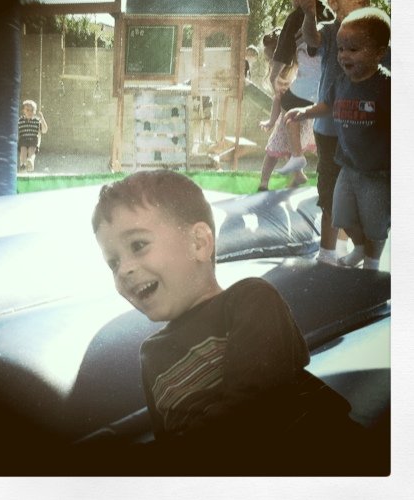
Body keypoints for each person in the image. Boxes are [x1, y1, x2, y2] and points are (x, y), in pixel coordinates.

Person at [91, 169, 372, 473]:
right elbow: (167, 434)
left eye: (138, 245)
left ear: (198, 242)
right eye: (113, 262)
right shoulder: (151, 354)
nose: (124, 270)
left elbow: (255, 407)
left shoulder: (249, 299)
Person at [286, 7, 390, 271]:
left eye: (353, 49)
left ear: (379, 52)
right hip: (347, 165)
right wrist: (304, 112)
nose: (344, 55)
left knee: (375, 222)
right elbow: (327, 105)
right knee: (340, 214)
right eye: (341, 49)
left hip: (377, 172)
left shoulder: (385, 86)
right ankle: (359, 248)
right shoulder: (342, 82)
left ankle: (372, 263)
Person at [299, 0, 374, 265]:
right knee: (329, 191)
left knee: (357, 192)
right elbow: (311, 38)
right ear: (332, 2)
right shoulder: (331, 32)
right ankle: (328, 253)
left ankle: (362, 248)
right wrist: (307, 12)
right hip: (329, 128)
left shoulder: (376, 36)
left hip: (362, 130)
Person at [269, 0, 329, 176]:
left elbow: (283, 50)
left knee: (287, 103)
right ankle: (320, 159)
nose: (293, 0)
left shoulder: (297, 16)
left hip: (310, 82)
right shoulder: (327, 12)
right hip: (327, 82)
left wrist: (273, 76)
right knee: (324, 119)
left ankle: (297, 155)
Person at [258, 29, 312, 190]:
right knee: (290, 151)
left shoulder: (281, 76)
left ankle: (263, 183)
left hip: (286, 122)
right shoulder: (296, 69)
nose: (269, 62)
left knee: (272, 153)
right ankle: (298, 176)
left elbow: (278, 100)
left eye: (270, 58)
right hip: (302, 119)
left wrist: (271, 121)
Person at [18, 99, 48, 172]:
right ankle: (22, 165)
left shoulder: (37, 120)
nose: (29, 112)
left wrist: (42, 118)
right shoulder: (20, 120)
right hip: (23, 139)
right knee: (23, 151)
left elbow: (44, 130)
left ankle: (30, 161)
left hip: (33, 140)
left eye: (32, 110)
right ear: (23, 111)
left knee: (31, 151)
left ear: (35, 111)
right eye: (27, 110)